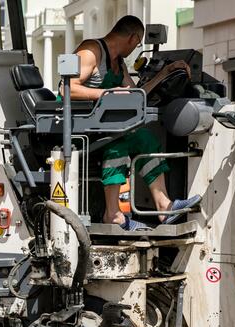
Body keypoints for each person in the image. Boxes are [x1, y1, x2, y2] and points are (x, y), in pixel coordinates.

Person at [65, 15, 200, 230]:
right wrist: (106, 93)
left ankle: (164, 207)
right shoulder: (91, 51)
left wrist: (164, 73)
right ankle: (113, 215)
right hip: (78, 127)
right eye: (137, 44)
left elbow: (136, 94)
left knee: (145, 139)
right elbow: (68, 88)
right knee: (117, 145)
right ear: (133, 37)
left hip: (104, 125)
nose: (135, 48)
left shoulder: (118, 62)